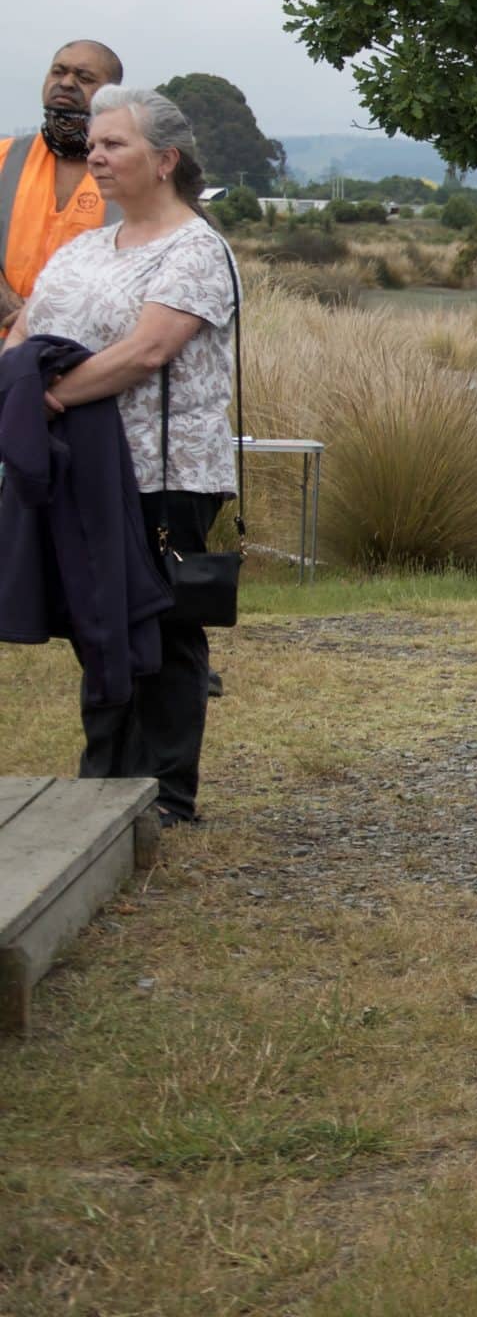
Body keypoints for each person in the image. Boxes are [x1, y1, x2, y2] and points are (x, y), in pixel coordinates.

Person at [7, 87, 236, 826]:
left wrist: (52, 395)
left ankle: (166, 793)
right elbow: (24, 330)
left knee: (161, 628)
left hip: (163, 473)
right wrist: (22, 383)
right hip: (79, 471)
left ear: (165, 160)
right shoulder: (84, 248)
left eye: (115, 146)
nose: (95, 157)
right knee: (94, 621)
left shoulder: (196, 248)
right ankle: (103, 784)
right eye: (94, 145)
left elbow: (147, 350)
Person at [0, 40, 124, 328]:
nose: (67, 83)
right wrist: (19, 319)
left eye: (84, 77)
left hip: (89, 357)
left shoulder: (135, 172)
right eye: (58, 72)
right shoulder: (5, 158)